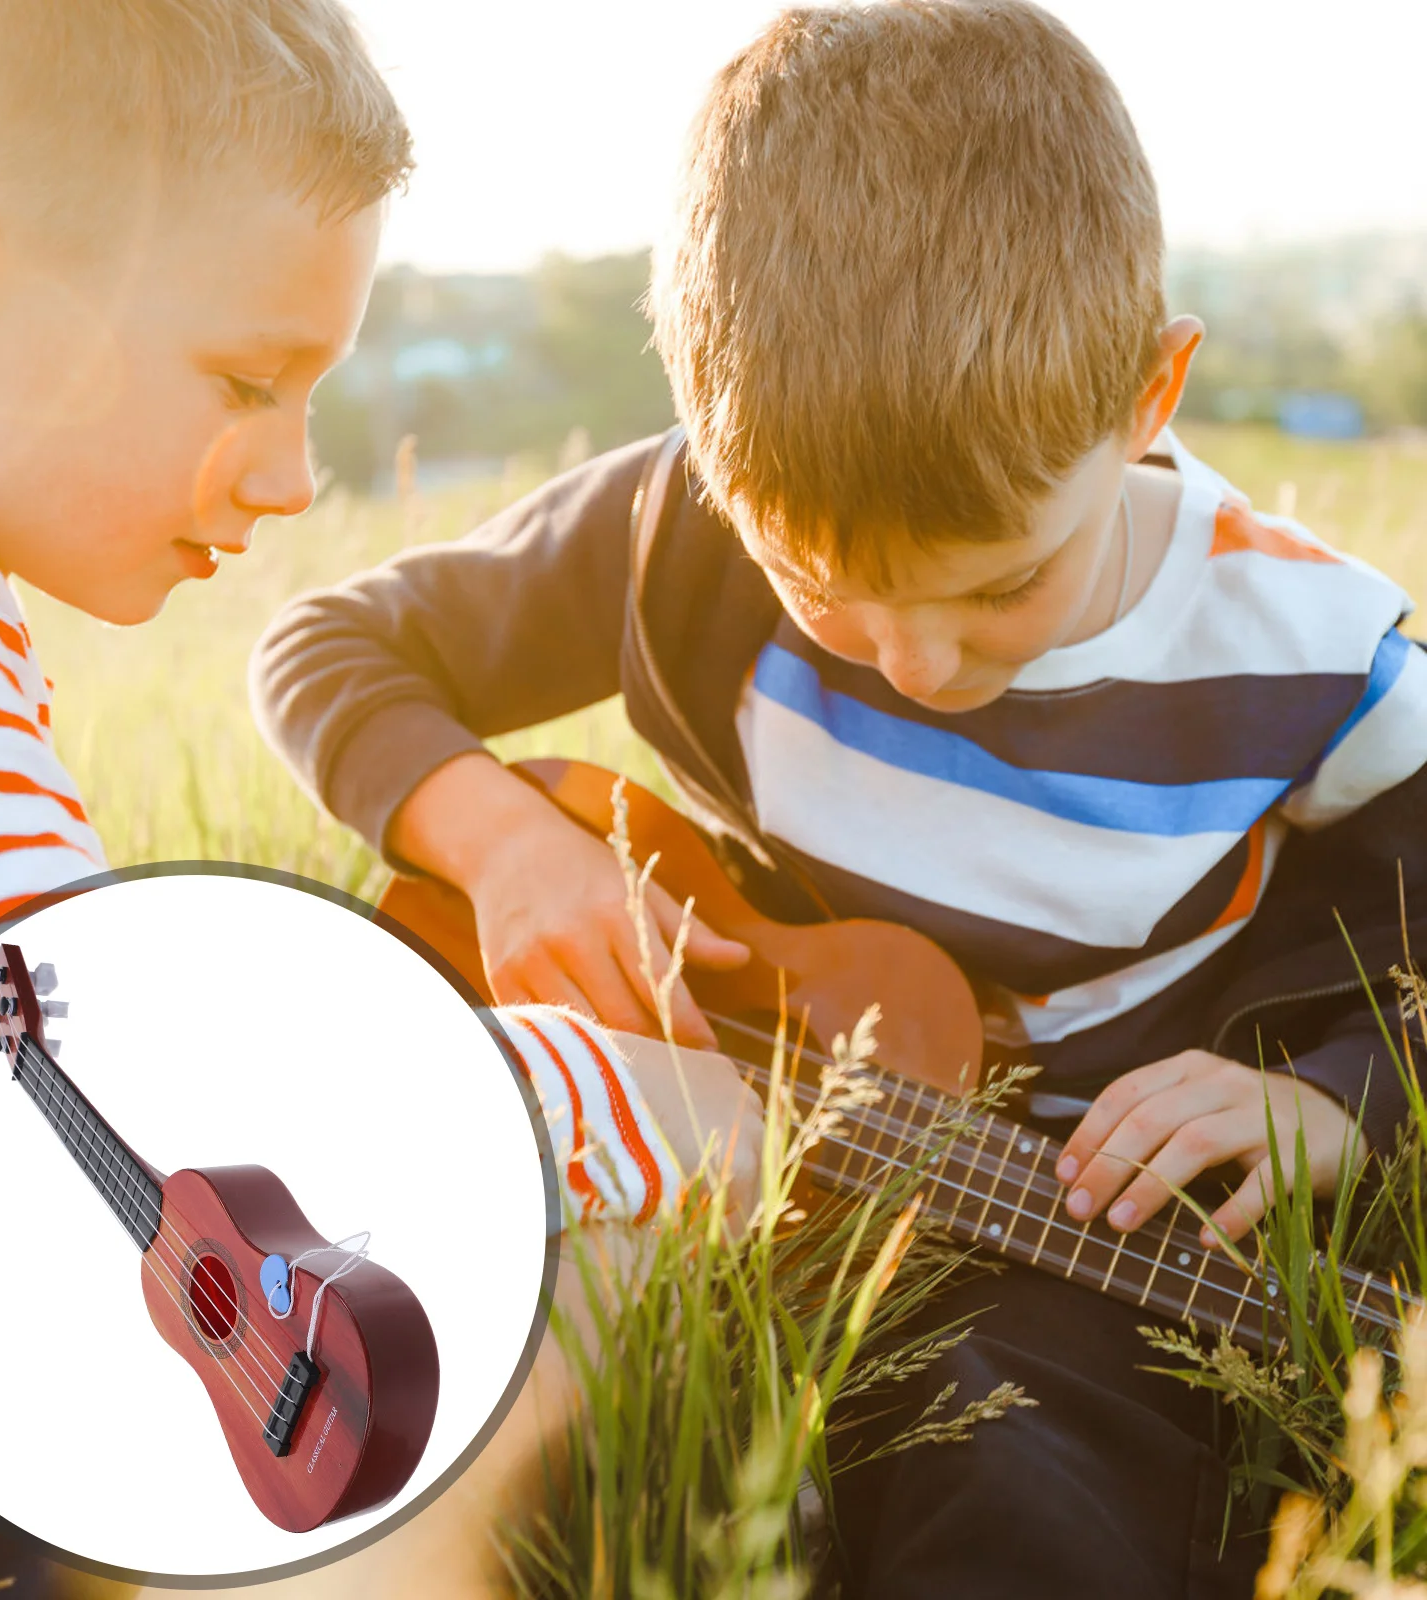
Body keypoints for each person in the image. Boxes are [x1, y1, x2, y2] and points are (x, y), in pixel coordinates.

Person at [250, 3, 1427, 1594]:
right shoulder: (690, 520)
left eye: (1003, 585)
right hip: (715, 1155)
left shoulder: (1307, 653)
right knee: (422, 1377)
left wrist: (1335, 1095)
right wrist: (512, 852)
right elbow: (336, 645)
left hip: (1050, 1235)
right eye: (822, 588)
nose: (916, 659)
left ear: (1151, 396)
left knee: (1008, 1476)